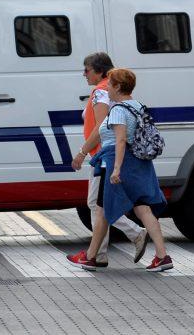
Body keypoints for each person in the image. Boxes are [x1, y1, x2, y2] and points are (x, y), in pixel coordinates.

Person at [68, 68, 171, 272]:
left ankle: (91, 257)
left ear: (118, 87)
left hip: (117, 164)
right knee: (142, 208)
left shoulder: (118, 110)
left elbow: (120, 140)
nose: (106, 86)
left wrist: (116, 170)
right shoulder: (138, 106)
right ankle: (162, 256)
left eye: (110, 84)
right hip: (140, 165)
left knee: (103, 210)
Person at [67, 53, 141, 269]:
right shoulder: (110, 88)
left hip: (102, 157)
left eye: (87, 69)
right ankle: (98, 254)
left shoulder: (100, 91)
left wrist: (82, 152)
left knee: (98, 204)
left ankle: (135, 234)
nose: (84, 74)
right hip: (107, 155)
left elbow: (101, 128)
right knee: (97, 204)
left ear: (99, 71)